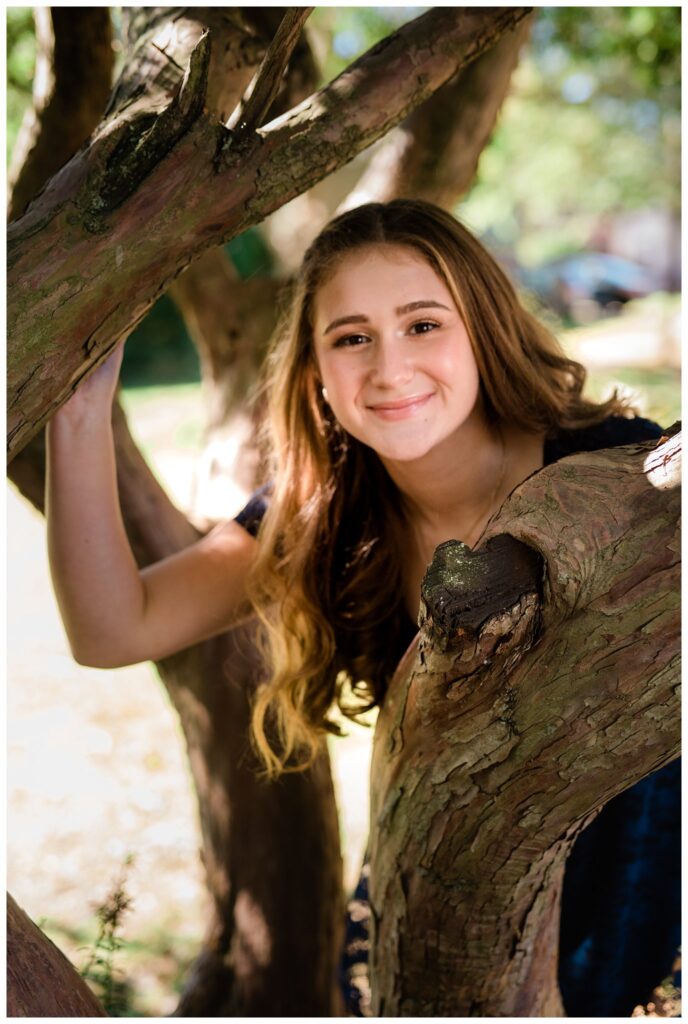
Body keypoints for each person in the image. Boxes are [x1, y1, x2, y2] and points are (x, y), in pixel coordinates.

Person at [47, 200, 679, 1015]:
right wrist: (79, 410)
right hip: (443, 894)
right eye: (351, 338)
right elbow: (110, 628)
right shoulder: (325, 521)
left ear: (481, 329)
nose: (389, 368)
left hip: (649, 879)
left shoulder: (625, 475)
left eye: (423, 325)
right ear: (313, 370)